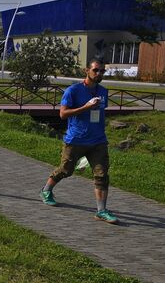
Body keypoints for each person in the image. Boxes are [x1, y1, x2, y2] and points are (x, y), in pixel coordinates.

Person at [40, 58, 118, 223]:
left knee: (102, 175)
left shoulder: (103, 91)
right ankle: (46, 190)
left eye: (102, 71)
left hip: (98, 140)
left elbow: (101, 112)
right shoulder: (73, 91)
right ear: (86, 71)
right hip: (76, 139)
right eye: (96, 70)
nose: (99, 73)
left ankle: (101, 211)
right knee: (66, 170)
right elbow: (62, 114)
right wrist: (85, 108)